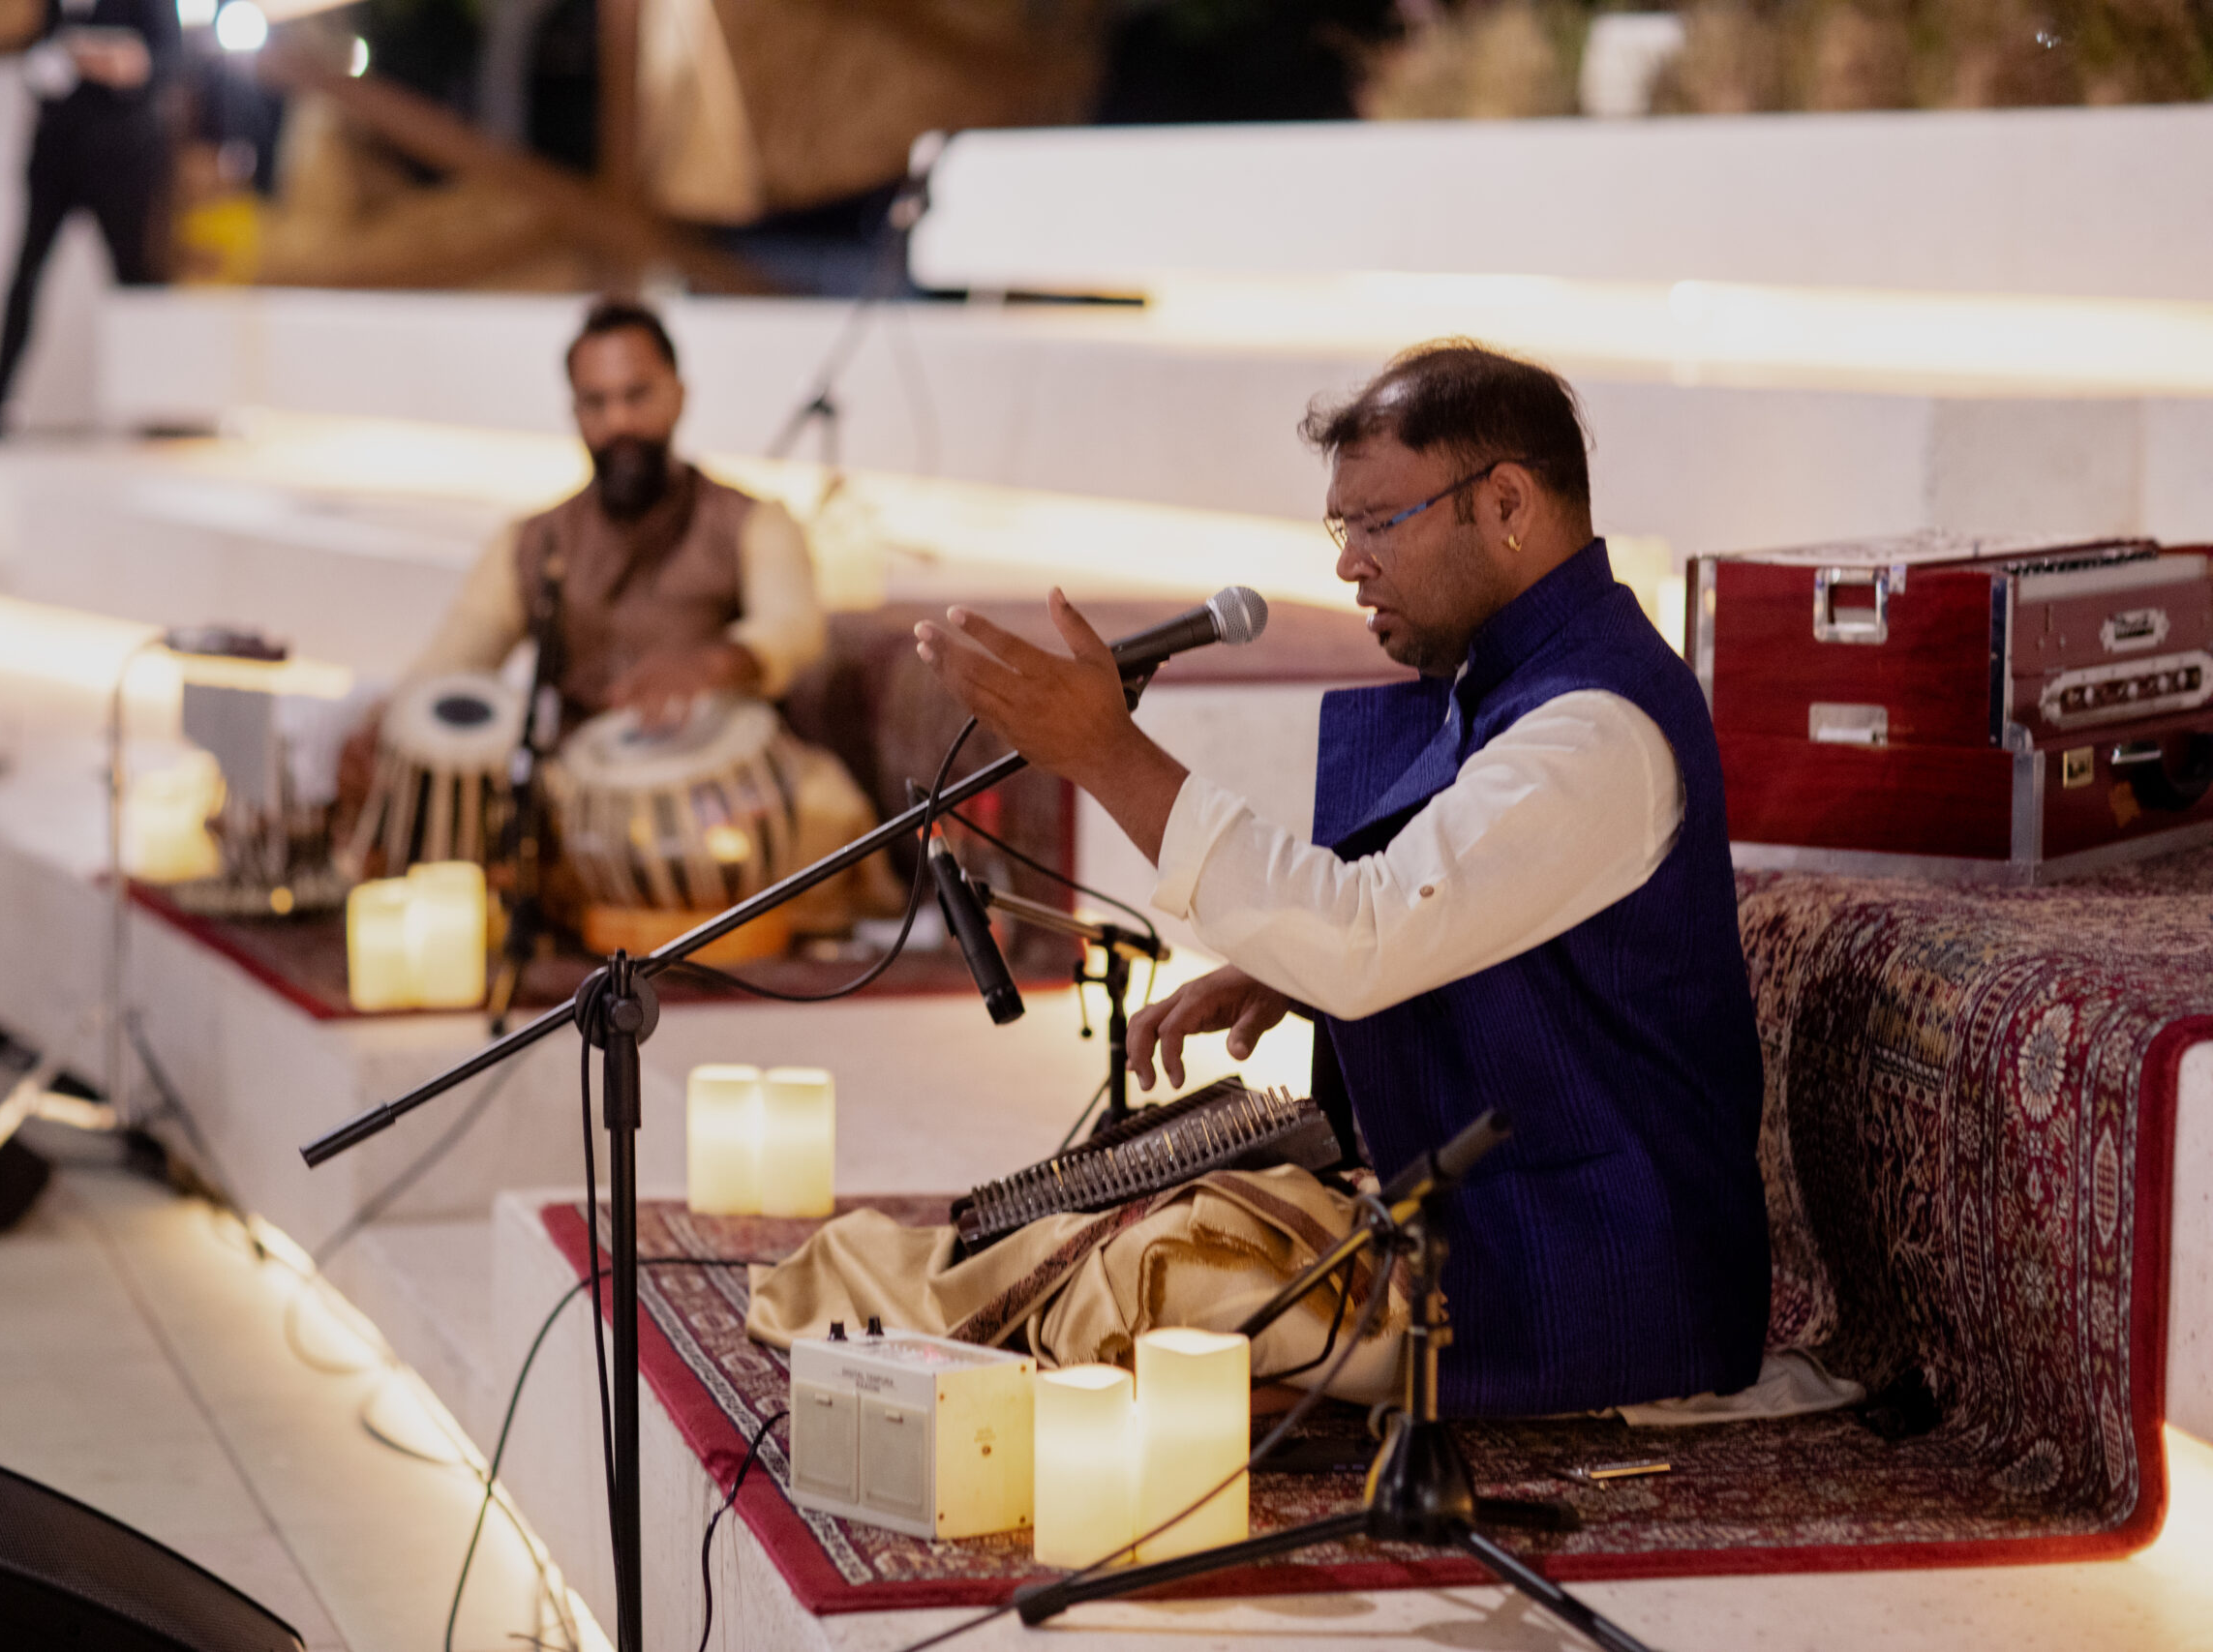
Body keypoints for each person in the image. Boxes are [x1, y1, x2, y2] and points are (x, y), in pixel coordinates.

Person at [913, 341, 1771, 1417]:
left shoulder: (1595, 727)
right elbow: (1458, 908)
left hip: (1594, 1271)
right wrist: (1292, 972)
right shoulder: (1526, 683)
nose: (1347, 565)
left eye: (1377, 523)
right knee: (1074, 1240)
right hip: (1510, 1226)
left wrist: (1105, 755)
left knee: (1140, 1286)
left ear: (1507, 502)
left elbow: (1369, 935)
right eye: (1342, 529)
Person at [345, 297, 891, 929]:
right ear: (575, 413)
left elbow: (792, 628)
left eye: (637, 396)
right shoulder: (533, 540)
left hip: (713, 795)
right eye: (596, 404)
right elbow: (457, 653)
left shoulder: (751, 521)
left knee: (823, 810)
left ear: (678, 396)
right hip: (575, 794)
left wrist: (706, 667)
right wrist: (387, 722)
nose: (619, 422)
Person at [0, 0, 181, 436]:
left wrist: (113, 61)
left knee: (135, 280)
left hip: (123, 157)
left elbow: (166, 60)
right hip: (56, 154)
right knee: (26, 275)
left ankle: (158, 409)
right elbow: (38, 56)